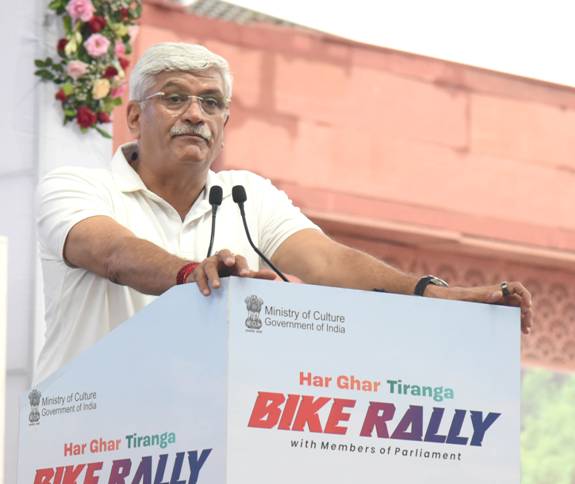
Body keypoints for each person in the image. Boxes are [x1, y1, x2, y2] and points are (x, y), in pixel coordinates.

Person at [35, 43, 533, 382]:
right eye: (175, 98)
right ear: (135, 116)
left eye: (211, 103)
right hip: (84, 440)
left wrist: (434, 294)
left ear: (224, 123)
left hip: (196, 442)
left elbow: (329, 262)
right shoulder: (78, 185)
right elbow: (114, 253)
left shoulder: (246, 195)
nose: (195, 114)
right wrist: (191, 275)